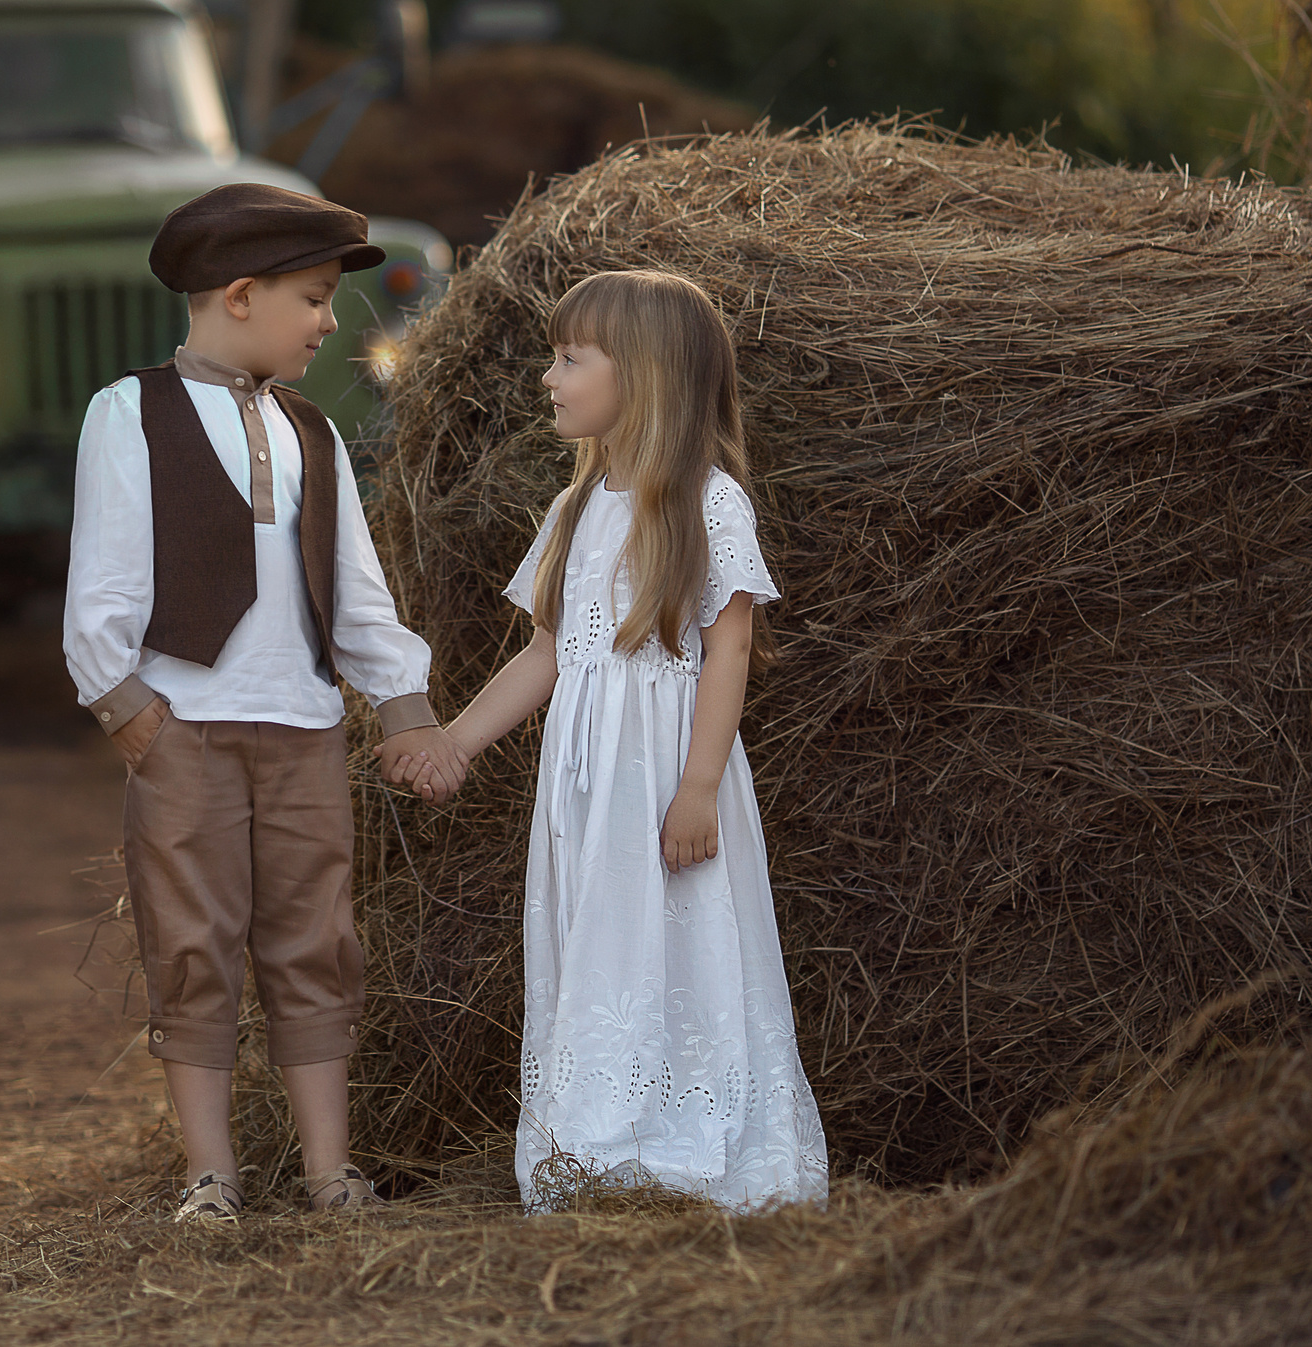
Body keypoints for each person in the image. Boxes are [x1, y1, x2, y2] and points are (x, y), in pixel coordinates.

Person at [65, 182, 469, 1225]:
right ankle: (211, 1175)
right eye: (314, 299)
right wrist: (128, 709)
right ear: (240, 295)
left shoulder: (313, 432)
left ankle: (329, 1170)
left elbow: (357, 591)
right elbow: (102, 580)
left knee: (315, 938)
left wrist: (403, 704)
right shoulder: (130, 412)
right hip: (184, 733)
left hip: (304, 732)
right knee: (190, 942)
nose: (329, 323)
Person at [396, 268, 827, 1211]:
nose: (549, 378)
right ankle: (596, 1146)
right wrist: (456, 741)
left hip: (666, 774)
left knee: (680, 943)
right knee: (597, 943)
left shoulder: (707, 501)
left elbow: (729, 647)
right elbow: (550, 652)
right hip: (586, 789)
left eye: (569, 358)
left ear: (643, 373)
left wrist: (699, 785)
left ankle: (694, 1146)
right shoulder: (575, 507)